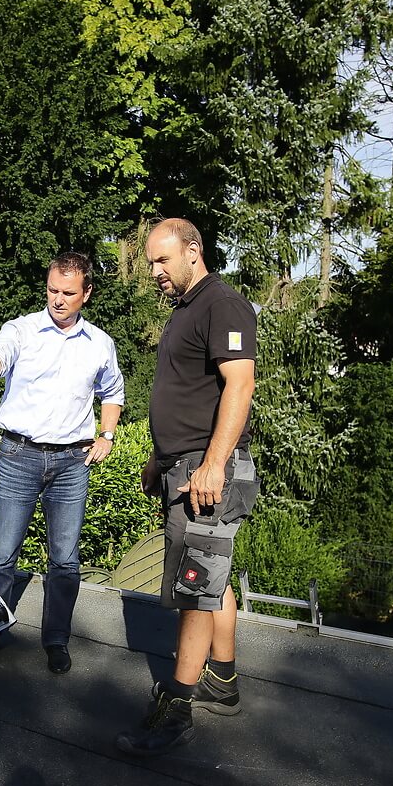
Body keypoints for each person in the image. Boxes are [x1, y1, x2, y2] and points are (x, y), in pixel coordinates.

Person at [0, 252, 125, 674]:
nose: (58, 300)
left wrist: (107, 435)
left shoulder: (100, 344)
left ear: (87, 294)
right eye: (52, 290)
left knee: (64, 558)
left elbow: (112, 392)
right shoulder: (22, 330)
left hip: (71, 463)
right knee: (2, 554)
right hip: (19, 456)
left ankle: (56, 639)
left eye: (68, 293)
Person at [115, 218, 258, 756]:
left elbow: (239, 385)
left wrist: (214, 463)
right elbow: (186, 394)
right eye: (151, 262)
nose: (154, 271)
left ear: (193, 252)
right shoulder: (186, 311)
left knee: (196, 584)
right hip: (185, 464)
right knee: (213, 577)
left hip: (207, 470)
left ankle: (175, 707)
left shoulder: (222, 303)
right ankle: (222, 678)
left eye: (162, 260)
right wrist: (161, 458)